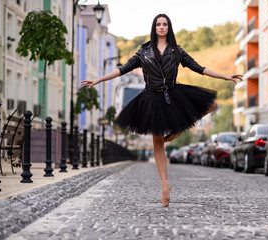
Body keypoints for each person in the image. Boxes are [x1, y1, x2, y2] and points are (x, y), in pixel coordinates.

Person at [81, 14, 243, 207]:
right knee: (158, 143)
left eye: (165, 24)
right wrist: (99, 79)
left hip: (173, 93)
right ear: (154, 27)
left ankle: (179, 129)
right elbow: (122, 70)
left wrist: (224, 76)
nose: (161, 27)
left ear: (169, 27)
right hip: (151, 98)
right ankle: (165, 185)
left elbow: (199, 68)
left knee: (212, 104)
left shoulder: (177, 50)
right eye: (158, 24)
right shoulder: (144, 51)